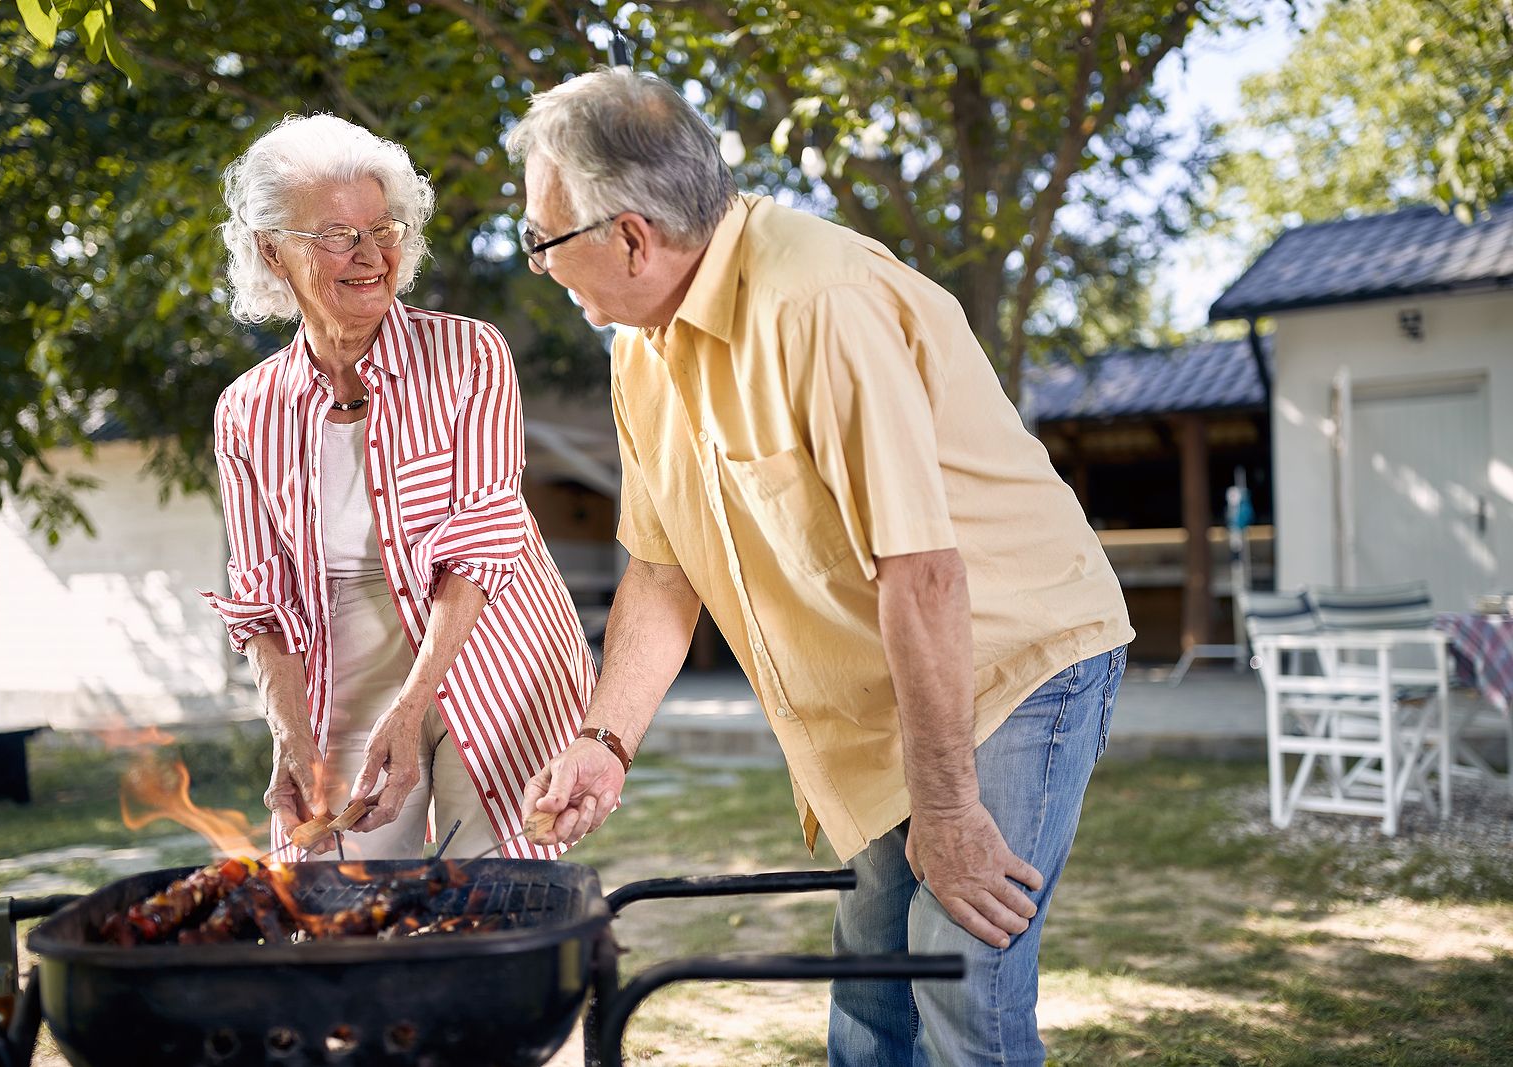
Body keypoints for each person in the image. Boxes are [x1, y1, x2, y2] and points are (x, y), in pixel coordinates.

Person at [509, 71, 1133, 1066]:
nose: (537, 264)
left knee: (958, 985)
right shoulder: (640, 353)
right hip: (897, 675)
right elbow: (664, 569)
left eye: (543, 238)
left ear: (631, 236)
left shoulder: (817, 301)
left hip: (1011, 658)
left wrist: (947, 809)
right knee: (871, 996)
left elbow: (923, 572)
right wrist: (604, 737)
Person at [203, 114, 595, 862]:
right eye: (336, 234)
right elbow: (262, 597)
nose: (370, 255)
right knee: (331, 888)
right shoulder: (246, 411)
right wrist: (289, 736)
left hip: (492, 639)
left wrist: (413, 707)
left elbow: (481, 547)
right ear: (270, 250)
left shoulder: (470, 354)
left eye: (382, 228)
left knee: (486, 898)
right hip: (350, 648)